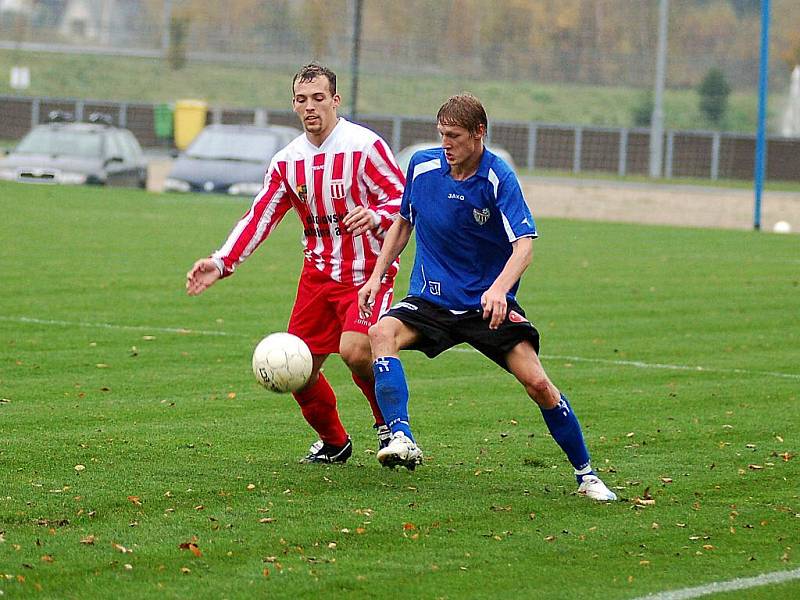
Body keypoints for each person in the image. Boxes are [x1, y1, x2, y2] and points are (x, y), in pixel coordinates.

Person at [357, 93, 617, 501]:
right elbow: (403, 223)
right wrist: (376, 276)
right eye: (442, 135)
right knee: (380, 333)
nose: (446, 145)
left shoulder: (498, 178)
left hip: (486, 306)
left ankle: (586, 475)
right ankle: (401, 436)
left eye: (455, 137)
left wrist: (498, 290)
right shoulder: (422, 166)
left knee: (538, 384)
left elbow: (525, 244)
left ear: (480, 134)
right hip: (432, 299)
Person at [186, 63, 405, 464]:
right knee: (296, 368)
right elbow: (259, 216)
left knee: (356, 351)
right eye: (302, 100)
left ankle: (388, 427)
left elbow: (404, 200)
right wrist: (221, 262)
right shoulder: (287, 161)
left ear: (335, 101)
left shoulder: (364, 146)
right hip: (317, 277)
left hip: (366, 275)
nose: (311, 108)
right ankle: (335, 442)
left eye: (319, 99)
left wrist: (375, 216)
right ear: (293, 105)